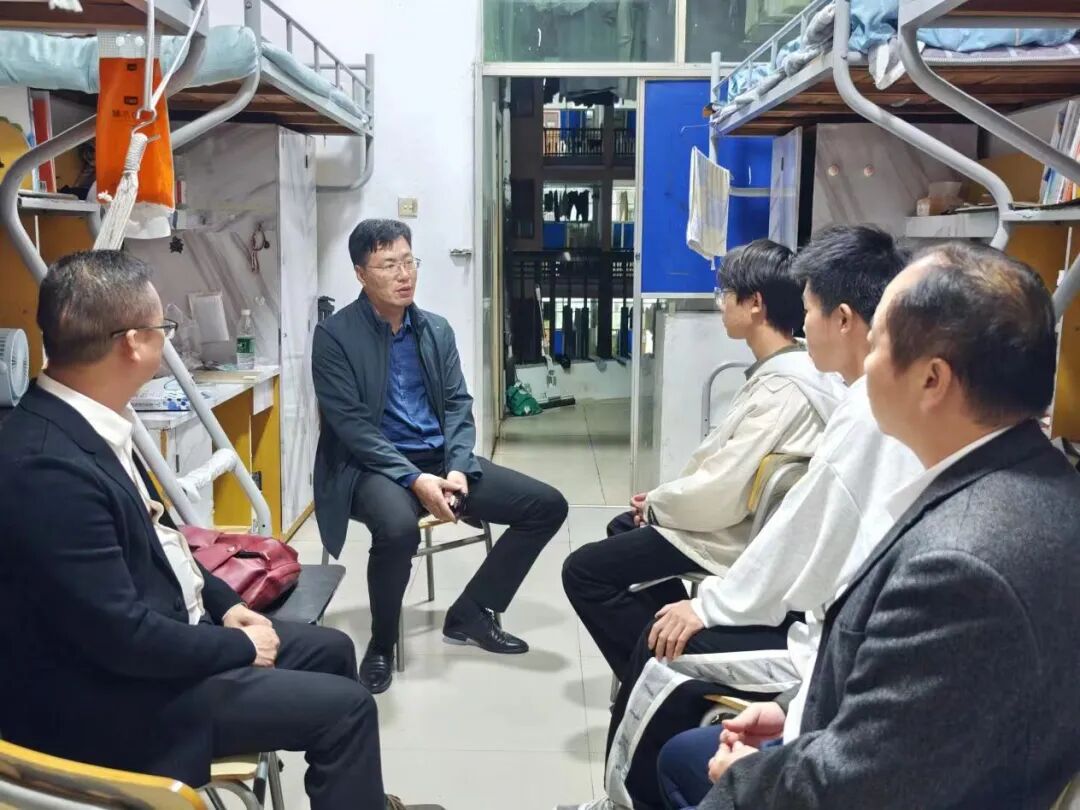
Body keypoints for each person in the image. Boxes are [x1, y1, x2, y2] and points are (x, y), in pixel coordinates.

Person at [0, 251, 402, 810]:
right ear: (133, 343)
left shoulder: (90, 418)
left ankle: (355, 796)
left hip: (155, 642)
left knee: (331, 649)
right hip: (117, 699)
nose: (166, 339)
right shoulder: (46, 468)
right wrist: (236, 645)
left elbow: (164, 543)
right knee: (347, 711)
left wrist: (225, 604)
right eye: (162, 327)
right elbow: (123, 639)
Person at [699, 242, 1080, 809]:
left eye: (877, 343)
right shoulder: (1041, 478)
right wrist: (794, 708)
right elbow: (924, 715)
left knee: (686, 763)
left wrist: (744, 778)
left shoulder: (958, 567)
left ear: (932, 379)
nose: (867, 364)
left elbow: (854, 784)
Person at [563, 226, 921, 810]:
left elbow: (782, 529)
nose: (803, 324)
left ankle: (623, 795)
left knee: (653, 648)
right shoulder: (854, 395)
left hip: (804, 621)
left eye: (810, 309)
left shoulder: (853, 409)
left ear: (843, 319)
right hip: (797, 593)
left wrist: (710, 604)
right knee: (630, 550)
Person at [561, 239, 846, 691]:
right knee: (624, 527)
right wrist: (658, 504)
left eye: (725, 293)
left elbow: (720, 490)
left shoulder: (783, 389)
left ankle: (654, 677)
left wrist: (658, 505)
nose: (719, 303)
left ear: (755, 303)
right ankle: (662, 637)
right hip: (738, 520)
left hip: (736, 536)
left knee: (583, 571)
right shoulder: (792, 371)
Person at [313, 219, 569, 694]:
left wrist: (457, 466)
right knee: (397, 529)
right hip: (371, 467)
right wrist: (414, 480)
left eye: (409, 261)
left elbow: (456, 404)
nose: (404, 274)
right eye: (389, 265)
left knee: (546, 506)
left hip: (438, 460)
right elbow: (352, 427)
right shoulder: (334, 336)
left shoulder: (435, 329)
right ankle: (382, 642)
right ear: (360, 274)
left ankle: (470, 611)